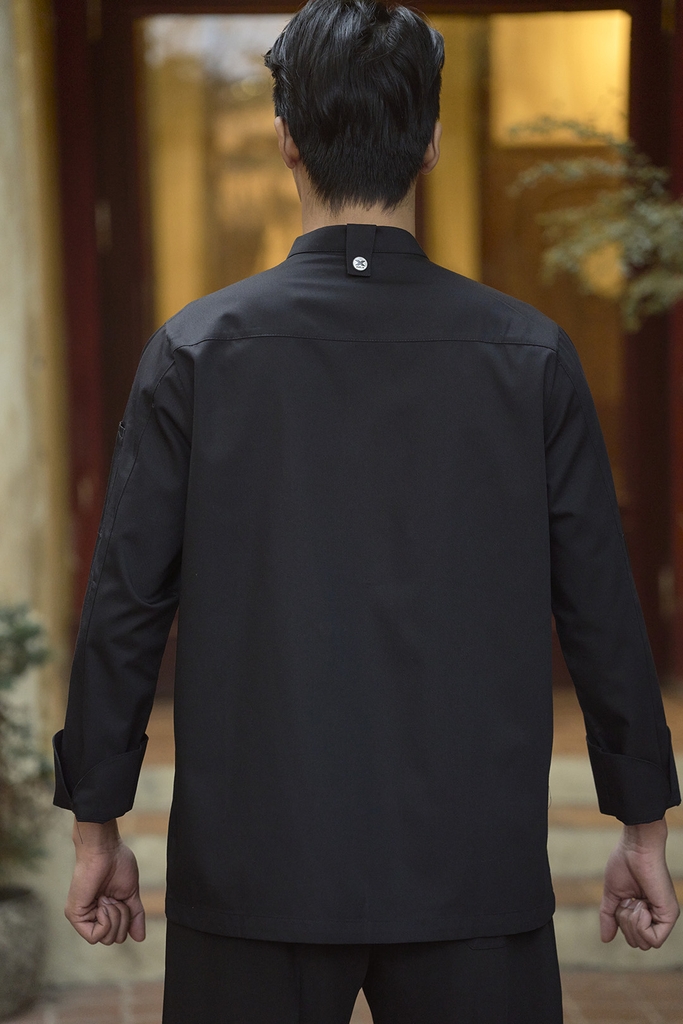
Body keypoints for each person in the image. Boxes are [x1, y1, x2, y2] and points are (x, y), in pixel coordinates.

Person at [53, 2, 680, 1021]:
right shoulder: (527, 356)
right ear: (428, 142)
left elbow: (124, 605)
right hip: (471, 870)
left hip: (252, 869)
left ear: (285, 139)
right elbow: (601, 608)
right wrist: (640, 822)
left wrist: (97, 822)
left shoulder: (196, 353)